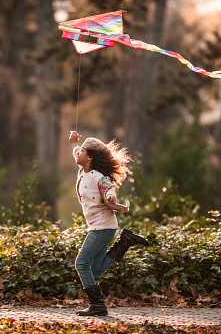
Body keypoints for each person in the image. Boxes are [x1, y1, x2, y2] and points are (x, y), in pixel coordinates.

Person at [69, 130, 149, 317]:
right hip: (100, 226)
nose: (77, 153)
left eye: (81, 152)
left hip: (102, 227)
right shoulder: (83, 169)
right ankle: (126, 241)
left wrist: (111, 196)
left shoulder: (98, 177)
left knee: (81, 264)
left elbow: (108, 189)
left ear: (89, 157)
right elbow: (77, 152)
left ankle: (97, 305)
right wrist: (73, 142)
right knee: (96, 268)